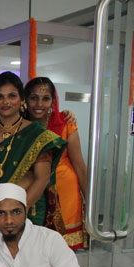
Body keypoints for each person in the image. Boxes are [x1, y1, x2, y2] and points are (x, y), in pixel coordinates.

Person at [0, 71, 66, 237]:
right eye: (0, 96)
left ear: (22, 100)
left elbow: (42, 178)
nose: (5, 101)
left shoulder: (37, 135)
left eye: (12, 96)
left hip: (27, 213)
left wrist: (14, 213)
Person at [25, 77, 88, 250]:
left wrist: (90, 203)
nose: (39, 104)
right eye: (34, 98)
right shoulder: (20, 125)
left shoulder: (65, 123)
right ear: (25, 99)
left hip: (64, 193)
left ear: (53, 101)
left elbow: (80, 167)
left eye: (45, 98)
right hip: (32, 191)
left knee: (62, 253)